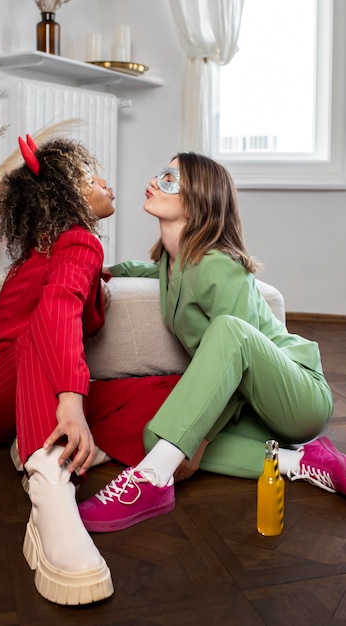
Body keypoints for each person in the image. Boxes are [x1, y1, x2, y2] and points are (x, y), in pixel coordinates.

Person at [77, 151, 346, 534]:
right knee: (159, 436)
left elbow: (239, 347)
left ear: (198, 201)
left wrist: (200, 438)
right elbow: (148, 270)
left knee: (226, 334)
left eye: (171, 179)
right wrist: (106, 271)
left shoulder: (219, 265)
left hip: (297, 396)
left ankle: (150, 481)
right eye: (161, 172)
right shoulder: (174, 264)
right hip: (254, 407)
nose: (157, 180)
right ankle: (300, 461)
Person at [0, 133, 115, 605]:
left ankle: (34, 441)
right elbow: (56, 313)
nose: (104, 182)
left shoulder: (62, 247)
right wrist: (70, 401)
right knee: (43, 331)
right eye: (88, 178)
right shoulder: (79, 241)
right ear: (67, 195)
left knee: (150, 385)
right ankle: (48, 488)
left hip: (7, 395)